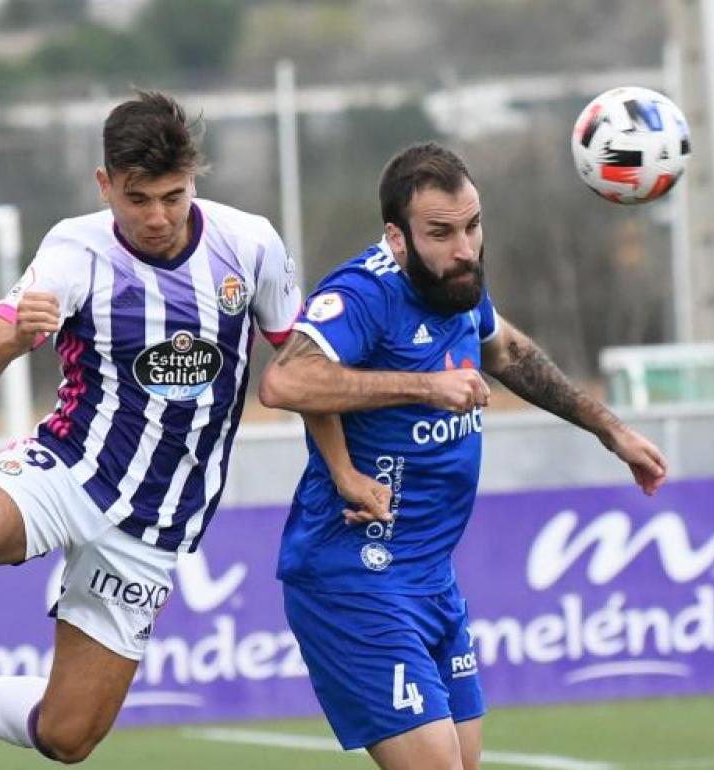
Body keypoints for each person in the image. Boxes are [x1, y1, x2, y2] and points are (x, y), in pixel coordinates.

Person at [0, 90, 305, 762]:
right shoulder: (74, 250)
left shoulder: (250, 244)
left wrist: (344, 469)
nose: (156, 217)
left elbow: (301, 364)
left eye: (172, 196)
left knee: (68, 735)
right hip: (66, 469)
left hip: (154, 522)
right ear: (105, 184)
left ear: (194, 178)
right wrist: (8, 340)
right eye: (137, 197)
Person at [258, 142, 668, 770]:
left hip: (429, 575)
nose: (465, 248)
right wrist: (421, 387)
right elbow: (286, 383)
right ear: (398, 238)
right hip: (354, 572)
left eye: (473, 226)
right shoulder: (365, 292)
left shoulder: (458, 282)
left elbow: (509, 353)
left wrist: (609, 430)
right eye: (441, 232)